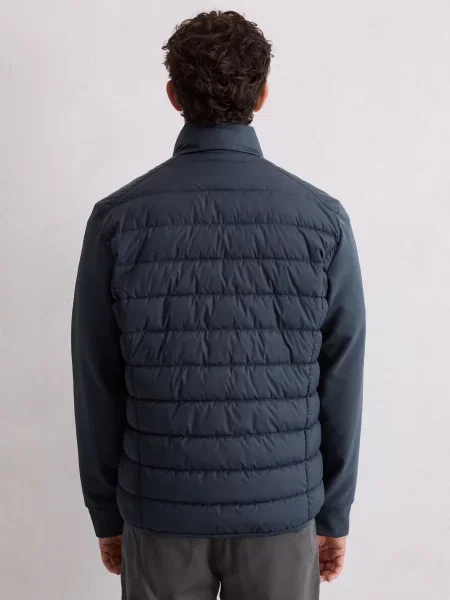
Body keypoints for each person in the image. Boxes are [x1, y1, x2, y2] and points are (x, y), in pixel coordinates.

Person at [71, 10, 366, 600]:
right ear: (262, 95)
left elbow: (96, 382)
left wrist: (106, 513)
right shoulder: (323, 221)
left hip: (160, 510)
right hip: (282, 513)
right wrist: (333, 512)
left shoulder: (116, 221)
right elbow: (342, 378)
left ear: (173, 95)